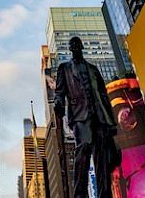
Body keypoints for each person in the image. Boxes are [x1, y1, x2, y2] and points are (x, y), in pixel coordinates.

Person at [54, 36, 120, 198]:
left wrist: (111, 121)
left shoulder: (93, 68)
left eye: (77, 43)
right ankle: (80, 194)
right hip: (80, 115)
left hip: (99, 115)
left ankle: (105, 194)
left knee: (102, 155)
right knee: (84, 146)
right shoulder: (65, 68)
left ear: (82, 46)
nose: (75, 46)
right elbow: (59, 91)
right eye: (72, 44)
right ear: (70, 48)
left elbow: (104, 95)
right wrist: (58, 103)